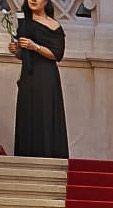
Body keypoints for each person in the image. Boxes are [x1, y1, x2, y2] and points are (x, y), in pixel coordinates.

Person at [6, 0, 68, 158]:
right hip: (28, 75)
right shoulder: (24, 22)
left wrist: (35, 47)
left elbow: (57, 54)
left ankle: (48, 155)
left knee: (45, 112)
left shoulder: (54, 25)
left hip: (46, 76)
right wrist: (16, 50)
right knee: (28, 113)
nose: (33, 0)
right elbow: (23, 54)